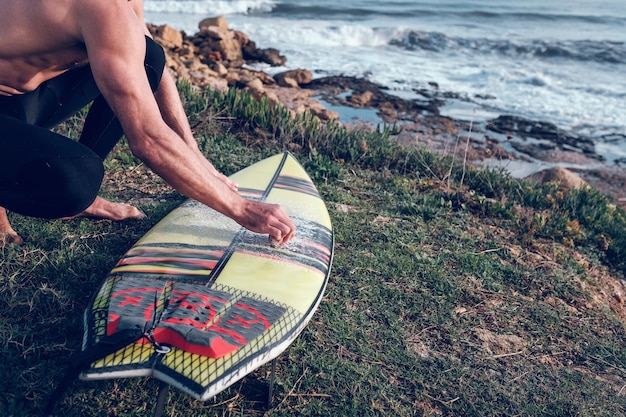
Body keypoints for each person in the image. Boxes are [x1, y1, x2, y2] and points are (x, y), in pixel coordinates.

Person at [0, 0, 296, 247]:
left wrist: (196, 157)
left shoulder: (121, 5)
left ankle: (82, 201)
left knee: (149, 55)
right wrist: (241, 209)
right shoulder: (101, 8)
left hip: (17, 99)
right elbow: (148, 139)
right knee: (75, 180)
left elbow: (146, 65)